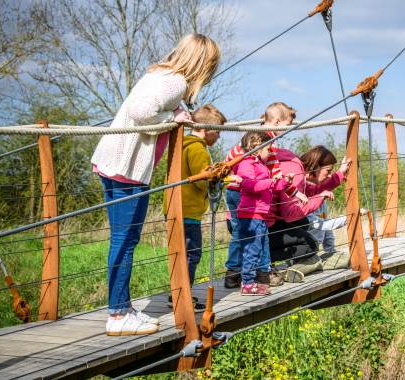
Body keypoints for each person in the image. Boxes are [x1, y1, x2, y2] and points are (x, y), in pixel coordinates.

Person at [91, 34, 220, 336]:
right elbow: (140, 111)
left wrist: (175, 113)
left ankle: (121, 307)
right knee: (125, 240)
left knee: (124, 239)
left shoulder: (161, 75)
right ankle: (118, 313)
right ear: (203, 64)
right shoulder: (174, 82)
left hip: (117, 163)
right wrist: (175, 115)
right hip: (126, 169)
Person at [223, 102, 306, 289]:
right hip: (249, 194)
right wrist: (295, 192)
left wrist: (229, 179)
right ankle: (263, 271)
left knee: (240, 233)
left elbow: (228, 162)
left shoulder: (249, 138)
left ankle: (233, 273)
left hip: (234, 190)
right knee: (260, 232)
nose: (287, 130)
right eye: (287, 126)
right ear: (277, 122)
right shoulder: (265, 144)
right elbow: (276, 176)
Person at [165, 104, 227, 312]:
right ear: (207, 129)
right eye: (218, 132)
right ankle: (181, 298)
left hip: (175, 207)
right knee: (192, 255)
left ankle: (177, 294)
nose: (219, 137)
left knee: (180, 254)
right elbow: (202, 181)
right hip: (189, 211)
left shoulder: (180, 145)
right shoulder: (198, 149)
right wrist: (219, 179)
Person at [266, 147, 351, 281]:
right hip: (263, 225)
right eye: (328, 171)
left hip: (269, 222)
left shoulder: (299, 173)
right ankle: (260, 259)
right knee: (310, 246)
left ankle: (268, 260)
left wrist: (339, 175)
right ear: (316, 166)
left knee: (303, 223)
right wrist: (320, 198)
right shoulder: (295, 172)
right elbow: (289, 214)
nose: (329, 175)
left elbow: (315, 189)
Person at [235, 131, 292, 296]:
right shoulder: (246, 164)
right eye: (268, 149)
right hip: (250, 215)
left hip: (260, 215)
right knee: (252, 250)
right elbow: (251, 186)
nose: (270, 153)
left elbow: (271, 186)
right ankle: (247, 283)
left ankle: (252, 281)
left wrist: (283, 182)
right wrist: (271, 181)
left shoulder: (259, 165)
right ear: (256, 148)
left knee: (258, 248)